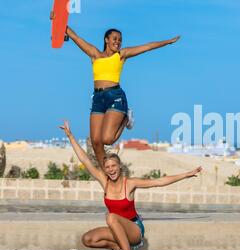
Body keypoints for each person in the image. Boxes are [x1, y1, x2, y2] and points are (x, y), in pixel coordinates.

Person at [59, 121, 202, 250]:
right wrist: (70, 136)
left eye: (113, 166)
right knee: (88, 239)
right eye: (107, 167)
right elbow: (85, 160)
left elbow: (158, 181)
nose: (110, 169)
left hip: (134, 230)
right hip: (117, 228)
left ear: (120, 167)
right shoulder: (104, 182)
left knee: (110, 216)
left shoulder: (130, 184)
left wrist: (186, 174)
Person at [51, 11, 180, 166]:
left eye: (120, 40)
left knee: (107, 139)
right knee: (96, 142)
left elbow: (146, 47)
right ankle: (105, 172)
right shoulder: (95, 54)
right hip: (98, 98)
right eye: (114, 39)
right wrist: (57, 19)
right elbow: (74, 36)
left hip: (115, 96)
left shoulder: (121, 55)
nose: (118, 42)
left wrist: (168, 42)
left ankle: (126, 118)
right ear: (106, 40)